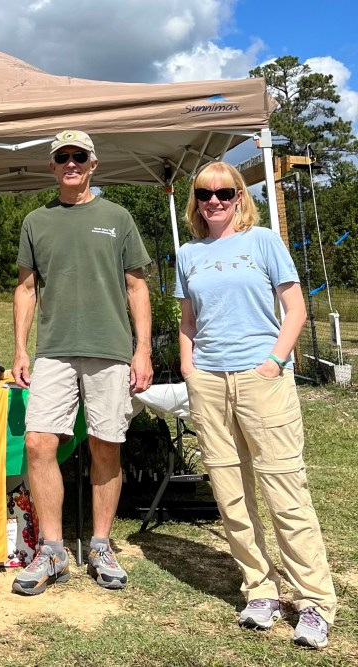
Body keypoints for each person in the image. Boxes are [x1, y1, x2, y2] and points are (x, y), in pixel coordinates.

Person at [176, 161, 337, 649]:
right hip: (209, 383)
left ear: (240, 197)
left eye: (224, 193)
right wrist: (189, 368)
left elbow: (296, 308)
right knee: (231, 493)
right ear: (195, 201)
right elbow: (188, 320)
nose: (214, 201)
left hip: (261, 380)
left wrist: (274, 362)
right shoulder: (188, 253)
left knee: (284, 489)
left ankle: (313, 601)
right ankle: (260, 589)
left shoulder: (263, 241)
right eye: (205, 193)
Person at [10, 130, 153, 596]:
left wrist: (143, 349)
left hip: (110, 349)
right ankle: (51, 551)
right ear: (52, 166)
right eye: (62, 157)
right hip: (53, 350)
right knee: (38, 443)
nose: (71, 163)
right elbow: (26, 288)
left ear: (93, 164)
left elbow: (137, 287)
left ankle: (100, 546)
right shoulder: (36, 221)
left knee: (105, 444)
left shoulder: (118, 217)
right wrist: (20, 349)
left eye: (79, 156)